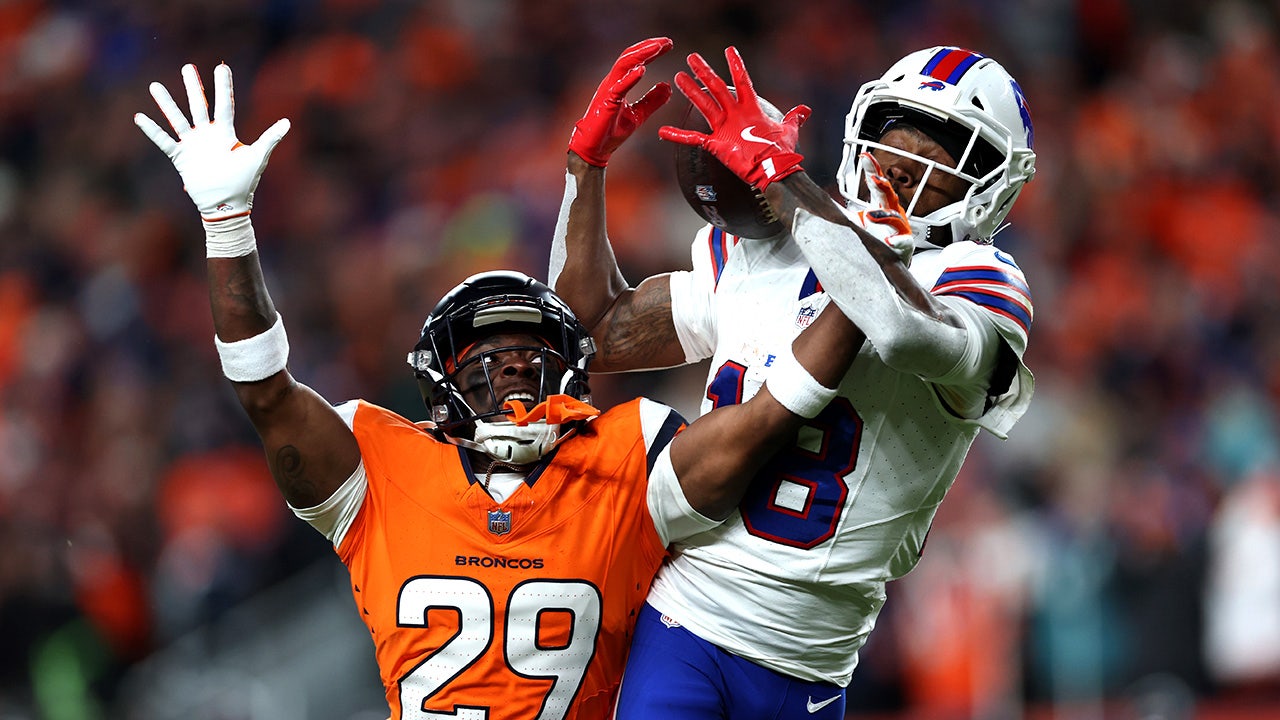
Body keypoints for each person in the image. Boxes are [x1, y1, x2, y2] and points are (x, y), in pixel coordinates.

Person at [133, 62, 877, 720]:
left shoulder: (625, 457)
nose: (514, 364)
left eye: (531, 350)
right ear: (439, 378)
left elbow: (767, 418)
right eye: (485, 354)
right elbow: (266, 393)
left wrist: (861, 286)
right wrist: (226, 224)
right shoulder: (381, 466)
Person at [552, 39, 1036, 718]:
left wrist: (788, 181)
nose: (905, 166)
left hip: (816, 658)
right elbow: (588, 333)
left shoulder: (978, 282)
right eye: (895, 138)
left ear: (992, 182)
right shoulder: (765, 246)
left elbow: (897, 325)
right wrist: (587, 168)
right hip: (685, 621)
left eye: (944, 155)